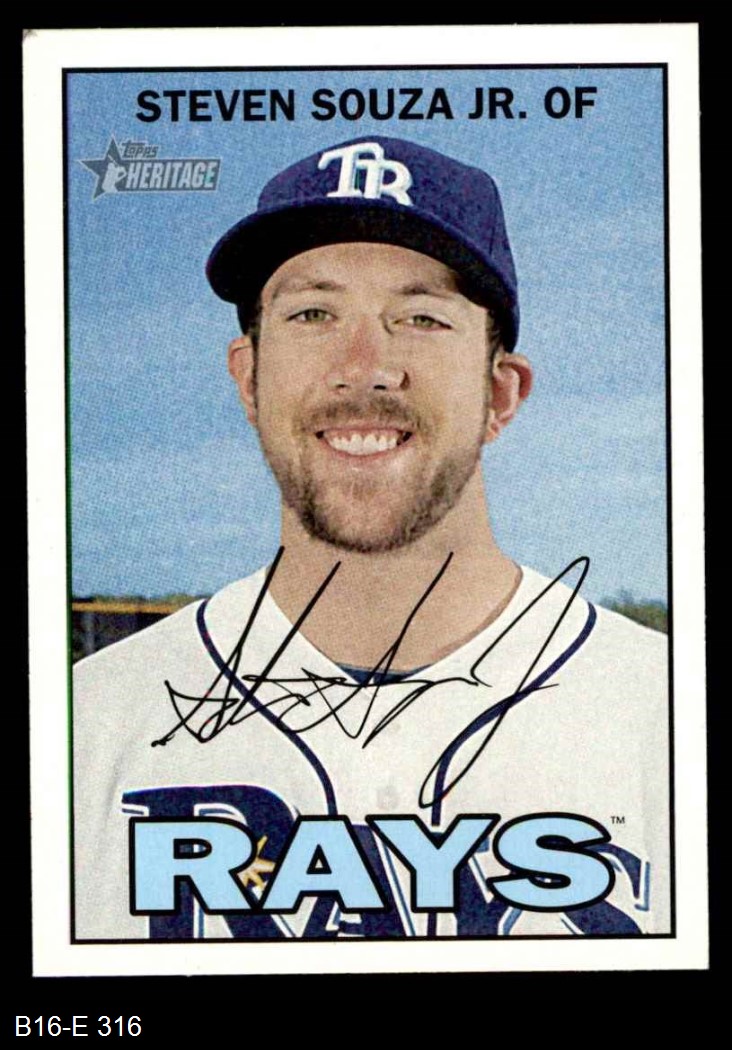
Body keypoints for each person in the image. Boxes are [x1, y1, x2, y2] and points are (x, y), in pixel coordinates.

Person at [73, 136, 669, 941]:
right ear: (248, 378)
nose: (365, 366)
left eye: (421, 317)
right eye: (313, 314)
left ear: (501, 393)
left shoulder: (670, 717)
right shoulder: (85, 729)